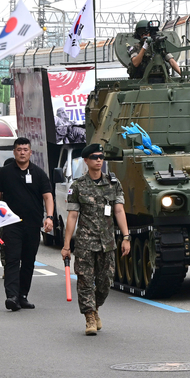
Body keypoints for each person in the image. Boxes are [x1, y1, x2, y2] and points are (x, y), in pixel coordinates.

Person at [61, 143, 131, 335]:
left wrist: (126, 237)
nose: (99, 160)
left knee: (105, 283)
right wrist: (67, 245)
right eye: (94, 157)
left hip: (107, 243)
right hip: (85, 243)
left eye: (101, 157)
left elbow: (118, 210)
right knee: (85, 281)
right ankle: (89, 316)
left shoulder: (113, 184)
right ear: (86, 160)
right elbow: (72, 216)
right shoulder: (78, 186)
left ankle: (95, 307)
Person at [0, 137, 54, 311]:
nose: (22, 152)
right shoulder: (5, 172)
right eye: (19, 149)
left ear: (30, 152)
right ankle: (12, 296)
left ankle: (23, 295)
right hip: (10, 224)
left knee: (29, 260)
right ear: (14, 152)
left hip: (32, 224)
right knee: (12, 259)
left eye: (25, 149)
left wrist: (50, 217)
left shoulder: (39, 173)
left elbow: (47, 196)